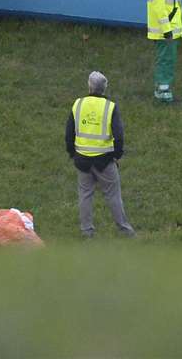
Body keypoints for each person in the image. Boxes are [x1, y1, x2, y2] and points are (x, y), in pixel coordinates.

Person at [66, 70, 136, 238]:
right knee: (113, 195)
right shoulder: (110, 107)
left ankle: (86, 231)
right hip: (105, 160)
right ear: (104, 88)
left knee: (85, 195)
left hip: (82, 159)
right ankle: (125, 230)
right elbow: (118, 136)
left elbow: (69, 133)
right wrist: (116, 156)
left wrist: (72, 153)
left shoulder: (78, 104)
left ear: (89, 86)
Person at [145, 0, 182, 102]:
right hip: (165, 32)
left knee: (168, 59)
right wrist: (167, 30)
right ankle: (163, 92)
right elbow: (159, 7)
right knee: (165, 60)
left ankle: (162, 89)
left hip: (168, 31)